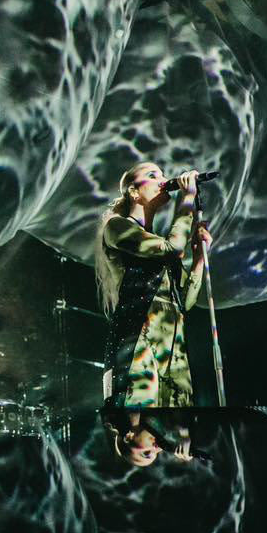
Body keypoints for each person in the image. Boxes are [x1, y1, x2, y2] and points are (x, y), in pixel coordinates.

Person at [95, 162, 212, 408]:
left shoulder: (159, 244)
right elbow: (173, 248)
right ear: (133, 192)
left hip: (173, 343)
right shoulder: (117, 227)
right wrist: (187, 200)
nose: (163, 179)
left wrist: (199, 259)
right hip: (138, 337)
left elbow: (186, 301)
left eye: (162, 174)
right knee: (141, 421)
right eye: (152, 175)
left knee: (179, 423)